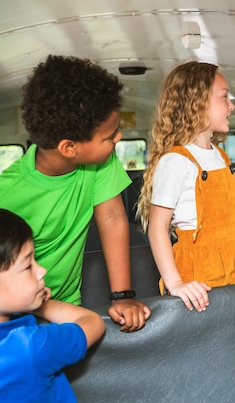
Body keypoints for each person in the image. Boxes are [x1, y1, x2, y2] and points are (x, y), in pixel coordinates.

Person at [0, 55, 150, 332]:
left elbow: (112, 218)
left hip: (68, 307)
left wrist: (122, 296)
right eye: (109, 136)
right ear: (70, 148)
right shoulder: (6, 194)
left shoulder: (99, 161)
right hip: (13, 317)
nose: (117, 138)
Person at [136, 62, 235, 312]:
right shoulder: (176, 161)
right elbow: (157, 227)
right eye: (223, 97)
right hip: (198, 276)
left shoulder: (221, 157)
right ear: (196, 102)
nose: (231, 105)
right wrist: (176, 283)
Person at [0, 208, 105, 402]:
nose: (41, 270)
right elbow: (93, 322)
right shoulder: (31, 346)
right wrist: (38, 305)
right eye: (28, 265)